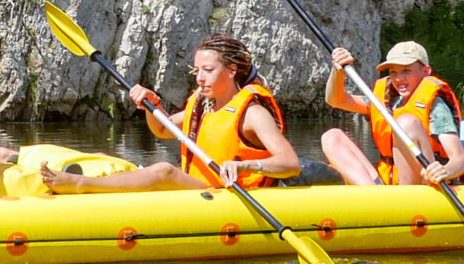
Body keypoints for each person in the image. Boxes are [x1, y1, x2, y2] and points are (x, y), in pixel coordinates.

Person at [42, 34, 300, 193]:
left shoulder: (252, 113)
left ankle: (79, 184)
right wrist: (152, 105)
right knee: (104, 157)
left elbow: (290, 164)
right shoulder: (203, 105)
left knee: (164, 171)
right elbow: (163, 129)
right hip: (200, 185)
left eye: (208, 70)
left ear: (232, 70)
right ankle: (83, 181)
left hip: (227, 193)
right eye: (197, 71)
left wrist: (244, 165)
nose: (199, 78)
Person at [319, 39, 464, 188]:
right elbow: (335, 100)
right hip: (387, 182)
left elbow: (460, 160)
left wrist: (445, 171)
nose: (398, 79)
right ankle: (373, 194)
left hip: (423, 183)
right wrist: (338, 72)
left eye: (406, 71)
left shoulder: (436, 106)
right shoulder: (386, 100)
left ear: (426, 71)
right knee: (332, 137)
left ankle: (403, 194)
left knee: (406, 122)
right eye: (393, 72)